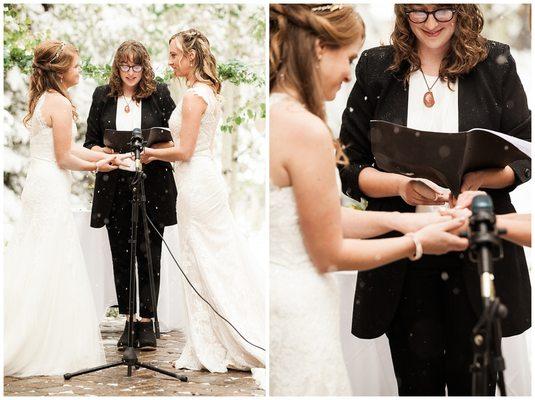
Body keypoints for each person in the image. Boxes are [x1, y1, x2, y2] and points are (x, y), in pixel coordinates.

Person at [269, 4, 470, 396]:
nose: (349, 73)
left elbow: (321, 219)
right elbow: (329, 252)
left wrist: (409, 221)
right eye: (347, 58)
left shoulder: (278, 113)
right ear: (317, 49)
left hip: (285, 296)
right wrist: (417, 243)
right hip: (297, 305)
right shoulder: (304, 128)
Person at [339, 4, 531, 395]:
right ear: (403, 12)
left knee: (474, 384)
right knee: (415, 384)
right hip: (404, 255)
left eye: (441, 11)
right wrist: (400, 187)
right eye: (418, 12)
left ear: (461, 9)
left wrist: (480, 179)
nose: (430, 23)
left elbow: (523, 158)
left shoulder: (496, 63)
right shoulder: (377, 66)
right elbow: (349, 166)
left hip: (476, 248)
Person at [141, 29, 265, 373]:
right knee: (206, 258)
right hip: (198, 180)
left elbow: (185, 150)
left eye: (175, 55)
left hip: (197, 184)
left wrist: (149, 153)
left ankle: (221, 340)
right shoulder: (206, 91)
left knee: (204, 259)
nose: (170, 61)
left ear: (191, 57)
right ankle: (206, 339)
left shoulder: (195, 97)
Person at [4, 40, 122, 376]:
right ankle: (35, 341)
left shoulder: (46, 98)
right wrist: (101, 166)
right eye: (76, 65)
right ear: (60, 71)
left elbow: (68, 148)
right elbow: (65, 157)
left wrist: (103, 155)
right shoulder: (57, 101)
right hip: (50, 185)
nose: (80, 70)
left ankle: (32, 331)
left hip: (39, 182)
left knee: (38, 257)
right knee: (52, 258)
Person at [84, 40, 177, 351]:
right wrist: (107, 153)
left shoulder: (159, 93)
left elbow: (173, 140)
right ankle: (128, 319)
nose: (131, 72)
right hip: (115, 183)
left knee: (149, 251)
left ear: (145, 66)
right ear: (117, 66)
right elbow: (90, 144)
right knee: (121, 252)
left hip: (152, 181)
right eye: (125, 65)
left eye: (136, 66)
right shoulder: (102, 95)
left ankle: (147, 322)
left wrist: (150, 152)